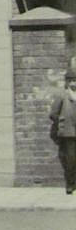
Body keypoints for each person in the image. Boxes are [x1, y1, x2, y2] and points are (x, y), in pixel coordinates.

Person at [49, 63, 76, 194]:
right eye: (71, 81)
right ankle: (70, 185)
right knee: (71, 159)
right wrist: (61, 121)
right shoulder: (62, 95)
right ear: (67, 82)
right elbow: (53, 113)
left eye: (75, 80)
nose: (74, 83)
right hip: (68, 133)